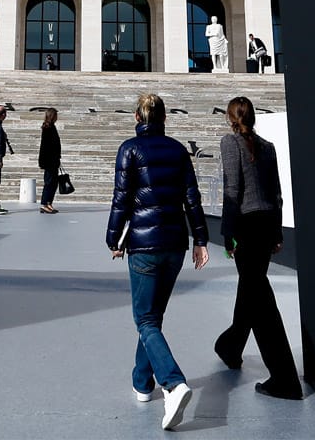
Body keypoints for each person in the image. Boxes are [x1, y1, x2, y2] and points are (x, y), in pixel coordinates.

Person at [106, 93, 210, 431]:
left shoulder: (129, 150)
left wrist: (113, 239)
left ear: (138, 117)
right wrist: (201, 240)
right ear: (163, 118)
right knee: (153, 316)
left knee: (146, 319)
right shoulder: (179, 150)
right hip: (175, 245)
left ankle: (173, 383)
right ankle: (142, 382)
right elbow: (192, 197)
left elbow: (121, 200)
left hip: (144, 245)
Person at [214, 96, 303, 400]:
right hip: (265, 225)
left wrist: (227, 234)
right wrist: (277, 231)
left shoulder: (230, 142)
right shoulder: (268, 147)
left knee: (261, 299)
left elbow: (232, 190)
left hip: (247, 226)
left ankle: (284, 378)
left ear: (231, 118)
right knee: (251, 289)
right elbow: (276, 193)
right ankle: (230, 346)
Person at [37, 107, 63, 213]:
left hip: (53, 160)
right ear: (53, 116)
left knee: (53, 183)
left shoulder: (51, 127)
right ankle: (44, 203)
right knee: (49, 182)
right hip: (49, 161)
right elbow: (46, 146)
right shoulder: (48, 128)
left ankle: (48, 203)